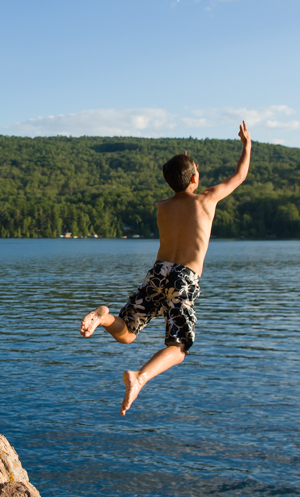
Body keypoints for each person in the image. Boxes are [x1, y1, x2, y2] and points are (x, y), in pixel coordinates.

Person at [80, 122, 251, 416]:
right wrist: (247, 145)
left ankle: (105, 318)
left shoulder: (164, 206)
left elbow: (179, 183)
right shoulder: (207, 199)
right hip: (184, 278)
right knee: (178, 347)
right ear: (196, 178)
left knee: (128, 332)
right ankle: (140, 377)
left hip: (158, 272)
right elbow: (239, 176)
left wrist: (183, 168)